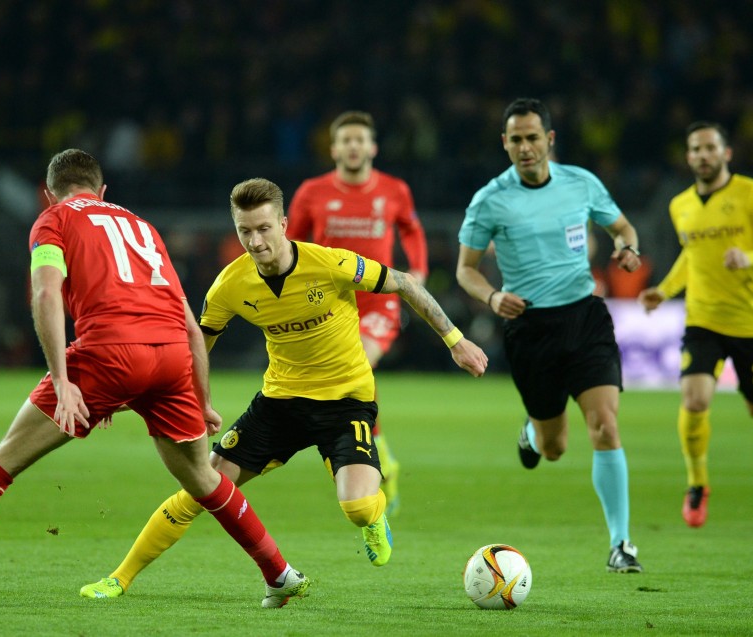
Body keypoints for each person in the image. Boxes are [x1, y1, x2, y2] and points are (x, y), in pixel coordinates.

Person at [0, 150, 310, 609]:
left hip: (107, 353)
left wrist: (63, 380)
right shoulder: (143, 227)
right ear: (102, 191)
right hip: (171, 359)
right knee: (203, 477)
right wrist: (202, 401)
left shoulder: (53, 219)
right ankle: (280, 573)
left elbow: (45, 293)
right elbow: (191, 328)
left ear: (48, 194)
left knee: (3, 462)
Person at [80, 177, 487, 599]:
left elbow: (403, 282)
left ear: (284, 225)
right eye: (244, 231)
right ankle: (119, 579)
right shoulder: (230, 285)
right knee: (200, 487)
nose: (255, 241)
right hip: (279, 405)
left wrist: (455, 340)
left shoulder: (330, 264)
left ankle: (374, 515)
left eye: (263, 229)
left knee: (357, 507)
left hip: (345, 403)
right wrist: (137, 394)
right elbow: (194, 350)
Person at [455, 98, 645, 573]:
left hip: (585, 318)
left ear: (549, 139)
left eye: (533, 138)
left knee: (604, 425)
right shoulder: (490, 199)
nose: (525, 147)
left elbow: (623, 228)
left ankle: (621, 544)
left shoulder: (581, 182)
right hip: (531, 328)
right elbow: (465, 269)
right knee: (555, 447)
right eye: (516, 139)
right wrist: (493, 298)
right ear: (505, 143)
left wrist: (627, 248)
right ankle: (533, 434)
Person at [637, 122, 753, 538]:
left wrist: (749, 257)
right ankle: (697, 484)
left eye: (710, 148)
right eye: (695, 149)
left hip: (749, 324)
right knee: (694, 400)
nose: (703, 155)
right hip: (703, 321)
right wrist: (664, 290)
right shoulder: (680, 205)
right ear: (688, 156)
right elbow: (692, 256)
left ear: (726, 153)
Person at [285, 110, 428, 517]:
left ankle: (370, 457)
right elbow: (290, 241)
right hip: (329, 302)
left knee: (359, 362)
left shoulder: (394, 189)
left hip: (378, 300)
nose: (353, 146)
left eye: (359, 139)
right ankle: (380, 452)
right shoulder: (312, 192)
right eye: (345, 140)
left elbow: (412, 229)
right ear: (333, 149)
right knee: (342, 380)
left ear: (373, 147)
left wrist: (417, 270)